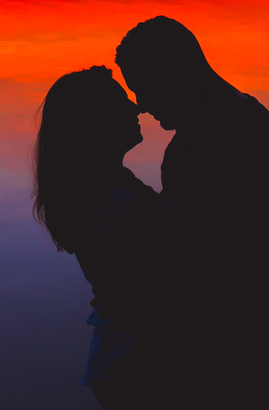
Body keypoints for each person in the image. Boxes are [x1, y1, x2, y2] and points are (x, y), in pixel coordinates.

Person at [115, 16, 269, 409]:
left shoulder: (200, 146)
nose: (142, 106)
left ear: (175, 72)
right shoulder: (253, 118)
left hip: (253, 348)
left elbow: (189, 265)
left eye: (144, 89)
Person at [32, 66, 184, 410]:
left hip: (126, 363)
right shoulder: (118, 210)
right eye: (121, 102)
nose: (135, 108)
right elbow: (167, 287)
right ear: (94, 122)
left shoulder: (107, 188)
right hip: (139, 373)